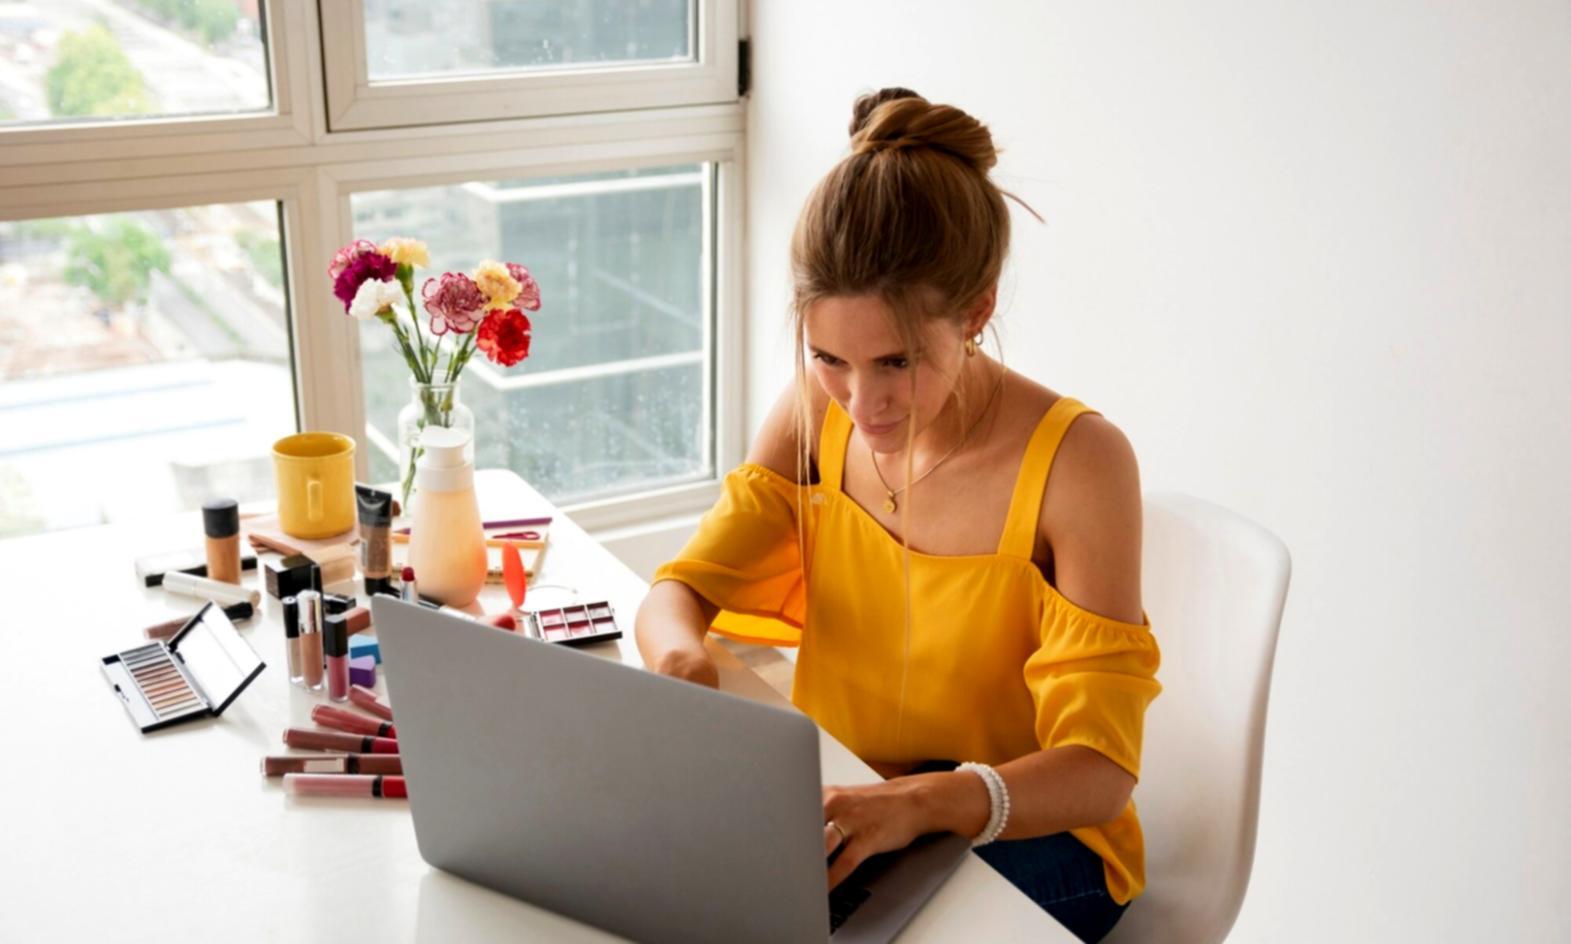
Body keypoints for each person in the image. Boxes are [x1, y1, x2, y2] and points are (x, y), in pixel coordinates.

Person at [634, 87, 1161, 943]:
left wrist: (918, 804)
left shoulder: (1082, 463)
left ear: (978, 310)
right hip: (848, 798)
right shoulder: (816, 408)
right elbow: (680, 588)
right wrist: (680, 658)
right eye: (828, 356)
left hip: (1029, 832)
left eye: (896, 362)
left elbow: (1099, 774)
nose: (861, 401)